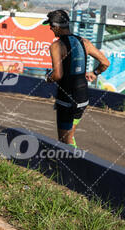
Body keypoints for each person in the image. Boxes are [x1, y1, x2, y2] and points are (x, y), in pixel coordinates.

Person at [43, 9, 110, 146]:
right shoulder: (84, 42)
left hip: (67, 96)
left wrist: (48, 78)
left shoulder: (56, 46)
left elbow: (58, 75)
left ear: (56, 26)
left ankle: (72, 166)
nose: (50, 28)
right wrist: (94, 73)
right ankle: (73, 161)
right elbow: (105, 63)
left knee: (64, 141)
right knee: (70, 137)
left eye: (51, 26)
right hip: (82, 95)